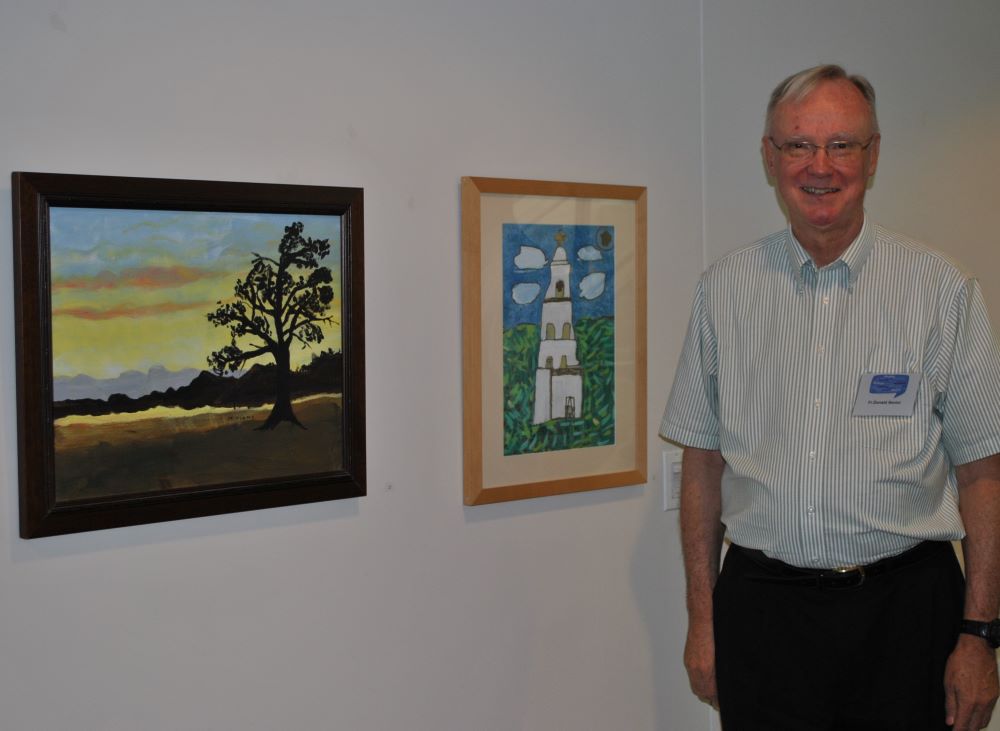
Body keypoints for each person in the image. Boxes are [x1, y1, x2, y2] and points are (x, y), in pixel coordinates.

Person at [660, 64, 1000, 731]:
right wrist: (703, 621)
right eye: (798, 145)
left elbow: (983, 472)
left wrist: (980, 634)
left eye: (842, 144)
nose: (821, 165)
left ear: (873, 157)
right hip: (763, 613)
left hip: (907, 613)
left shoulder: (942, 290)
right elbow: (702, 464)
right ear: (769, 156)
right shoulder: (723, 290)